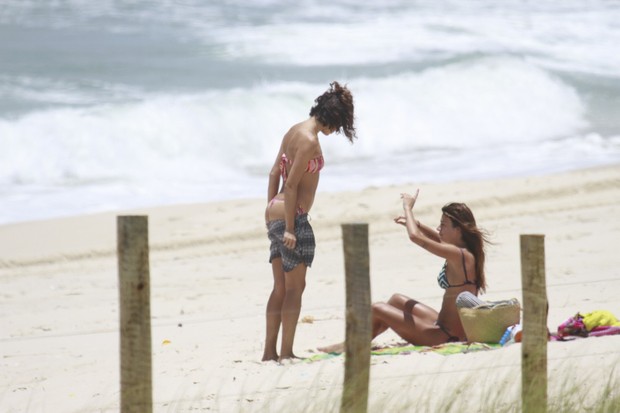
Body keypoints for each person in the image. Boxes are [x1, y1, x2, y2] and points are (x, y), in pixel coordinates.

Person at [319, 189, 489, 353]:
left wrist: (408, 209)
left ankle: (352, 344)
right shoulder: (463, 251)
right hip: (442, 326)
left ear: (458, 230)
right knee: (396, 300)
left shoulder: (459, 255)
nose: (439, 228)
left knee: (377, 308)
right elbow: (437, 239)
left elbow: (416, 238)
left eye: (443, 225)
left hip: (445, 336)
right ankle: (358, 341)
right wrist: (417, 224)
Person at [262, 81, 357, 362]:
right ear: (331, 119)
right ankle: (286, 351)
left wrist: (269, 211)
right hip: (293, 216)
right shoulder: (309, 140)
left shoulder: (293, 130)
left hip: (274, 211)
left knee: (280, 287)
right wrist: (290, 227)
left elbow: (272, 174)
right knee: (295, 288)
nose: (335, 132)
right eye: (337, 126)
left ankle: (269, 351)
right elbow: (291, 186)